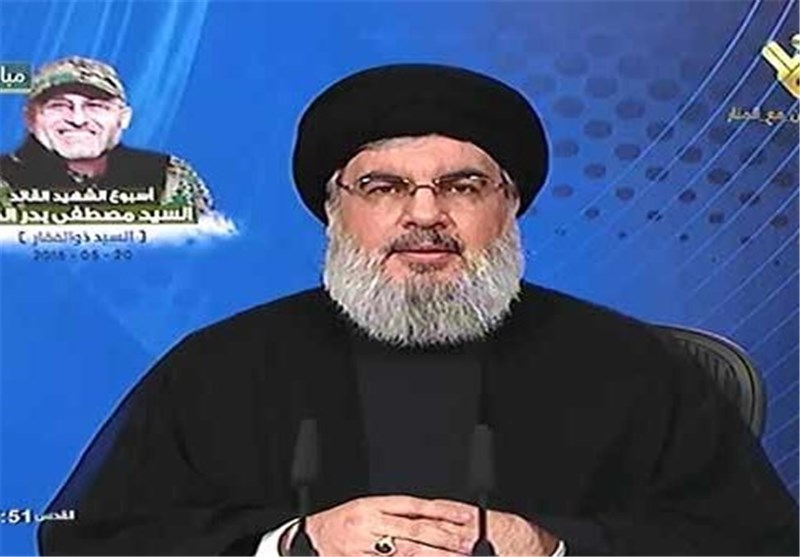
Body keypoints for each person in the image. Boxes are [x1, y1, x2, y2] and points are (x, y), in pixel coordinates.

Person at [38, 64, 798, 556]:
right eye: (384, 187)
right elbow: (91, 540)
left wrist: (552, 546)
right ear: (334, 210)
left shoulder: (630, 365)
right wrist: (293, 543)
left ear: (510, 206)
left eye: (464, 186)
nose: (426, 214)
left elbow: (756, 541)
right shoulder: (221, 366)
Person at [0, 56, 213, 214]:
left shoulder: (167, 177)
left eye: (96, 106)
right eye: (58, 106)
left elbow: (203, 252)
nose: (78, 119)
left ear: (124, 118)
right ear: (30, 118)